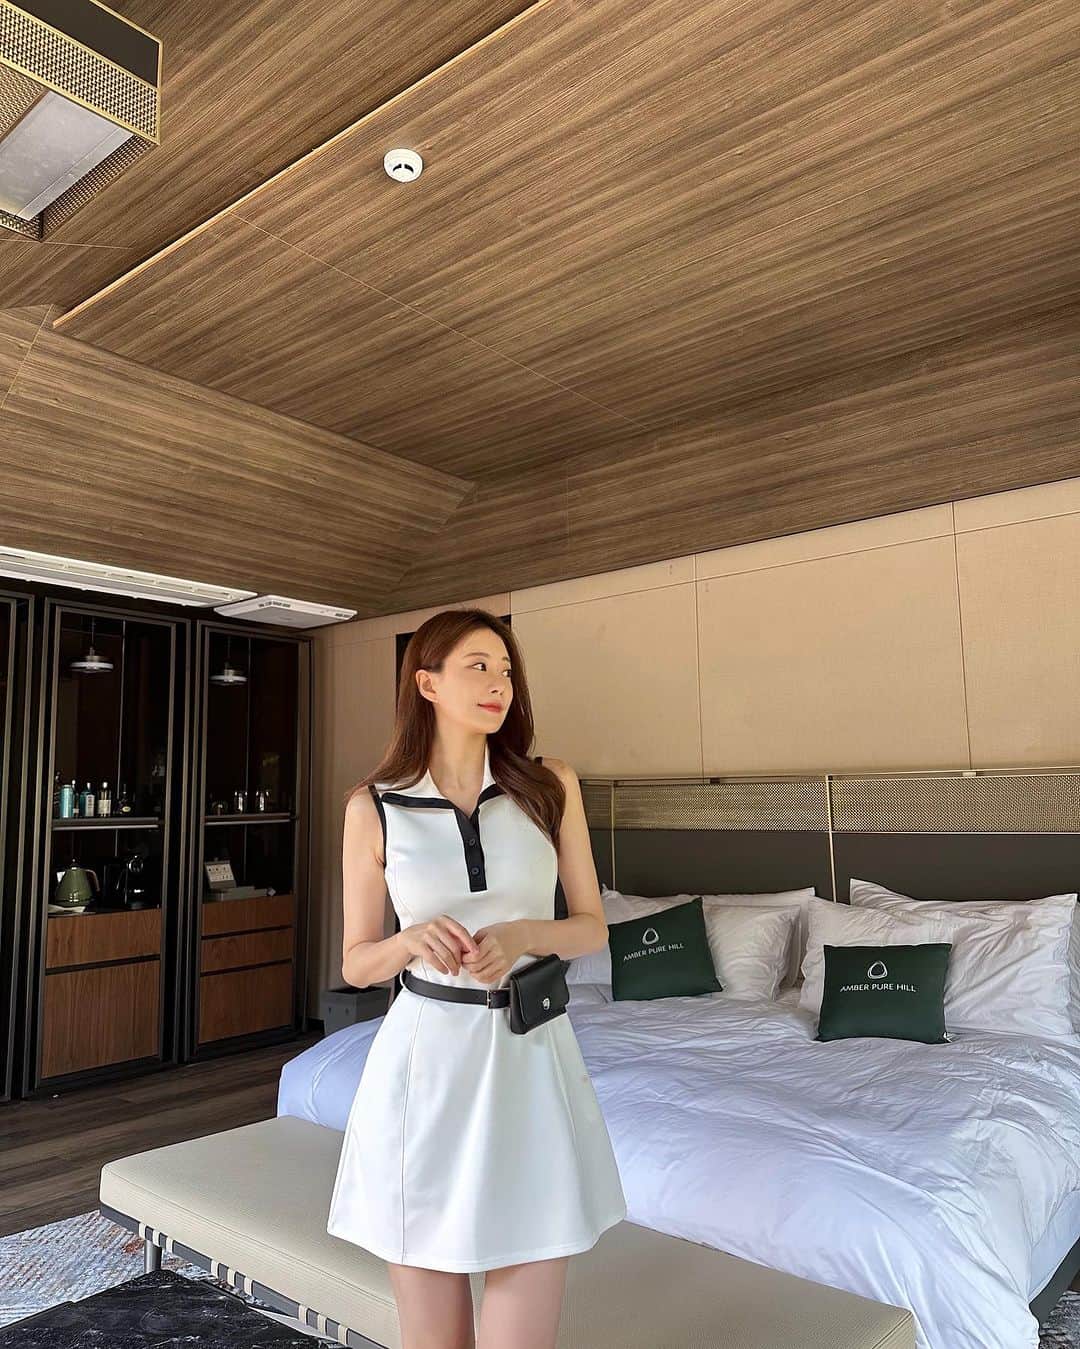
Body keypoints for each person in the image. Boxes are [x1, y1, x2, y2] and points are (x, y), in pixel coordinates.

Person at [326, 607, 626, 1349]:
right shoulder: (374, 806)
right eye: (478, 667)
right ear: (426, 683)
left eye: (506, 670)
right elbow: (356, 961)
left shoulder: (550, 785)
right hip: (423, 1072)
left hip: (530, 1058)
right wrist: (408, 941)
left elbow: (591, 926)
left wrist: (525, 933)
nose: (500, 684)